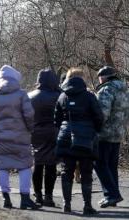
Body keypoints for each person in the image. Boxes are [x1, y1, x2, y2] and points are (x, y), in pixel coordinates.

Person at [0, 65, 39, 210]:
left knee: (2, 167)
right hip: (20, 137)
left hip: (0, 138)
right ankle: (25, 199)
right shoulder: (21, 94)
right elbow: (29, 115)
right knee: (24, 166)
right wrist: (29, 128)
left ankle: (5, 198)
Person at [55, 68, 104, 215]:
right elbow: (99, 117)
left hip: (65, 137)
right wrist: (93, 130)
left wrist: (64, 129)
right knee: (86, 172)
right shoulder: (89, 96)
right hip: (86, 138)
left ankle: (66, 205)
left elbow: (56, 119)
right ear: (82, 79)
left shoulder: (62, 96)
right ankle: (87, 206)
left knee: (66, 171)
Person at [94, 66, 129, 208]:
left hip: (105, 134)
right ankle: (111, 196)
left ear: (103, 77)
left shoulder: (106, 89)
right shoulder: (124, 91)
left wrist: (94, 128)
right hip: (118, 133)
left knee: (100, 164)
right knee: (111, 166)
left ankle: (112, 195)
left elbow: (102, 114)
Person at [28, 69, 60, 207]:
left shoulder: (30, 96)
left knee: (38, 163)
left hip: (35, 133)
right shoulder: (59, 95)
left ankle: (38, 195)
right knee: (51, 165)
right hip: (54, 132)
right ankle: (49, 196)